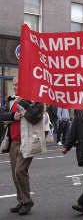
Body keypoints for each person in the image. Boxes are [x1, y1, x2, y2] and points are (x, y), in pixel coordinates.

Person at [0, 78, 45, 215]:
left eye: (18, 84)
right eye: (13, 84)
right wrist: (13, 116)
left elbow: (35, 116)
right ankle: (21, 201)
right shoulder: (12, 100)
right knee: (15, 174)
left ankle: (27, 202)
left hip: (28, 142)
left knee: (20, 171)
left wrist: (23, 103)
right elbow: (2, 116)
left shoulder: (35, 100)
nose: (15, 87)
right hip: (13, 142)